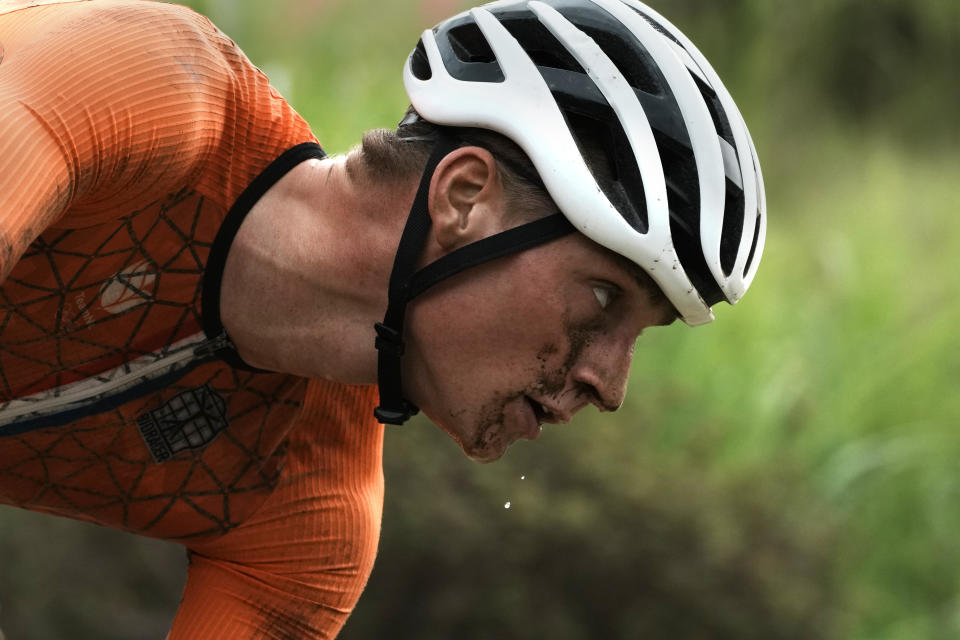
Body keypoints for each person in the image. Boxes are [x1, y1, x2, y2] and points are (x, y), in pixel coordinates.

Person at [0, 0, 765, 637]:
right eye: (603, 298)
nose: (610, 384)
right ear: (464, 196)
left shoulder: (306, 517)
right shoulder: (147, 91)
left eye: (641, 336)